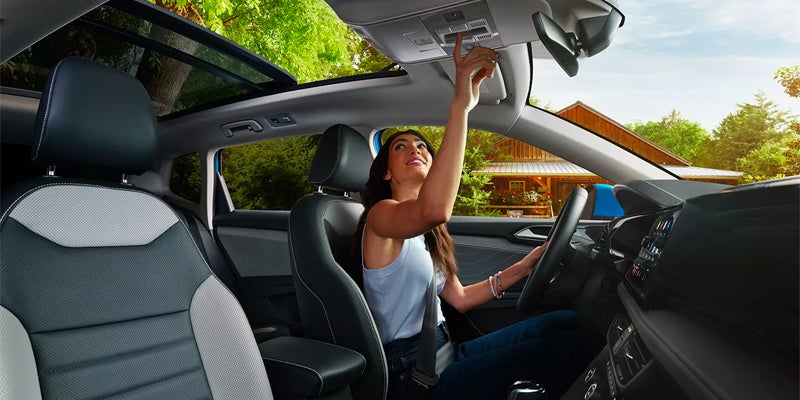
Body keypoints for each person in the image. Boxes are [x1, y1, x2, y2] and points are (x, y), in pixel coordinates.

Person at [357, 34, 599, 399]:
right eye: (400, 147)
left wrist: (527, 265)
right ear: (386, 173)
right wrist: (461, 106)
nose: (415, 149)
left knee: (568, 324)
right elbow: (435, 208)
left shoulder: (425, 234)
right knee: (577, 347)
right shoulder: (381, 217)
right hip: (415, 374)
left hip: (445, 351)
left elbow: (459, 299)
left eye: (422, 146)